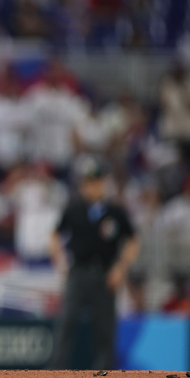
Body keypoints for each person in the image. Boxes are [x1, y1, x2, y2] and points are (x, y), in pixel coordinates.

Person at [48, 156, 140, 369]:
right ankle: (56, 369)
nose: (92, 187)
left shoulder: (115, 212)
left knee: (105, 327)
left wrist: (121, 268)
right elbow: (53, 236)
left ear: (104, 183)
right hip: (78, 272)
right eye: (88, 182)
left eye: (96, 182)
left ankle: (104, 370)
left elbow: (133, 240)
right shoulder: (74, 210)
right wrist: (60, 262)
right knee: (67, 322)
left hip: (106, 274)